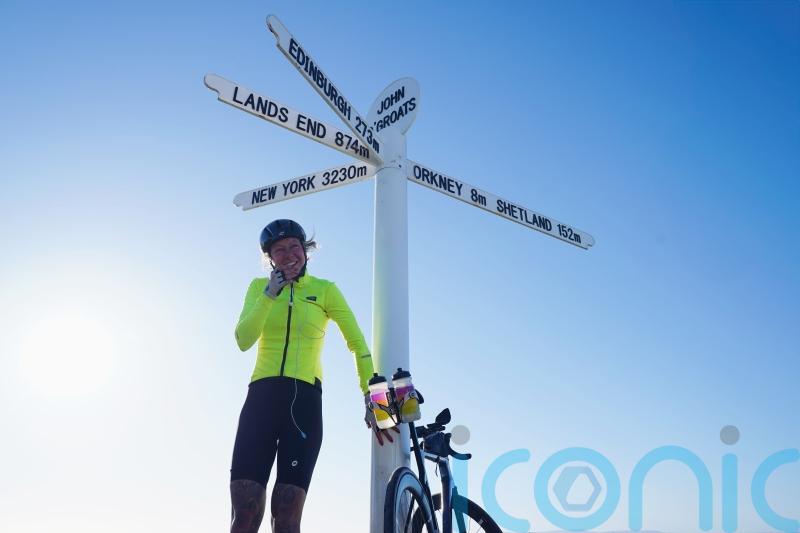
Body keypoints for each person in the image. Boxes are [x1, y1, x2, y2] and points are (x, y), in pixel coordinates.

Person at [230, 219, 398, 533]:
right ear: (270, 258)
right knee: (245, 513)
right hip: (261, 401)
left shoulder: (325, 290)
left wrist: (378, 403)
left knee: (287, 515)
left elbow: (357, 343)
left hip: (303, 405)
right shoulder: (258, 288)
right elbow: (243, 340)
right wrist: (270, 293)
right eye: (279, 250)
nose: (289, 254)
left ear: (306, 251)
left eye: (295, 246)